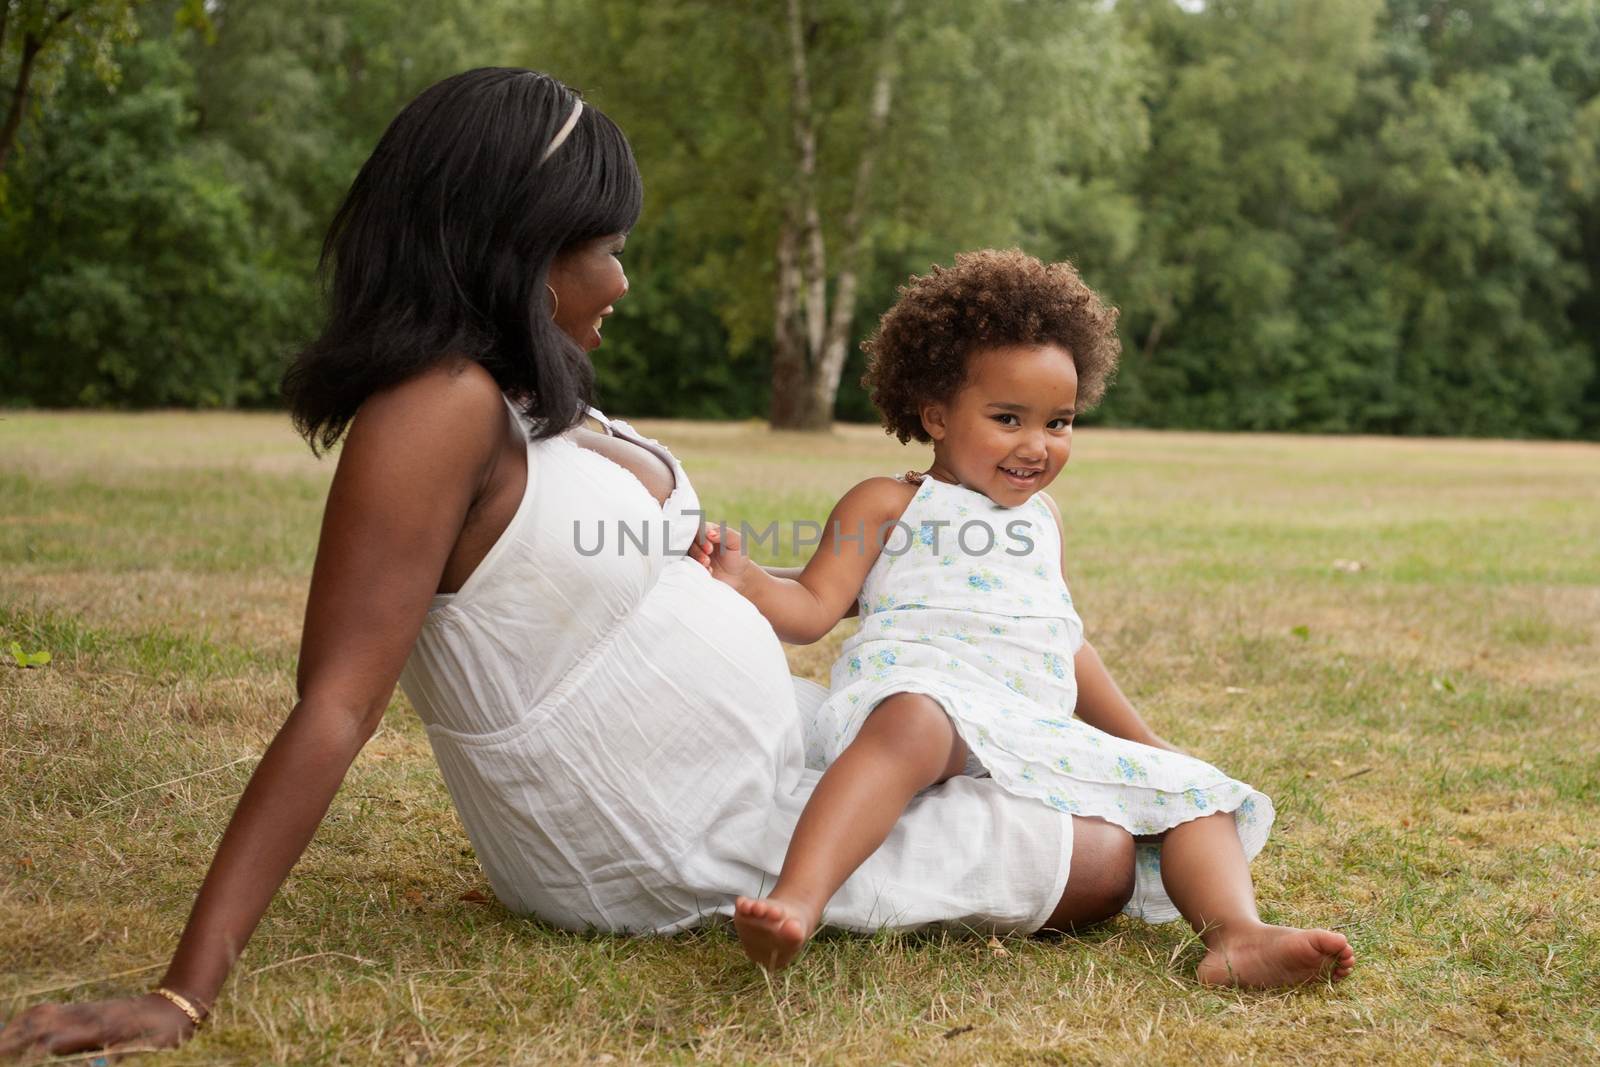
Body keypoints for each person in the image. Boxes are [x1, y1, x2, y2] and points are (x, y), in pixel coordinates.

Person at [0, 71, 1140, 1061]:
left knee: (1048, 759)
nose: (620, 283)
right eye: (600, 248)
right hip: (669, 831)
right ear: (511, 246)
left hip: (771, 746)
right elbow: (336, 703)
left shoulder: (526, 396)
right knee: (1103, 857)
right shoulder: (433, 411)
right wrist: (180, 990)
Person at [697, 250, 1356, 986]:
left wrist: (1150, 746)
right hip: (926, 699)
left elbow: (1061, 641)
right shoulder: (887, 503)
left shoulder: (1043, 519)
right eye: (1008, 418)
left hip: (1028, 726)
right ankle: (796, 900)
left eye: (1060, 422)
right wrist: (749, 578)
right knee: (914, 720)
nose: (1037, 445)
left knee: (1196, 795)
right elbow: (816, 606)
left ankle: (1238, 934)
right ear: (937, 414)